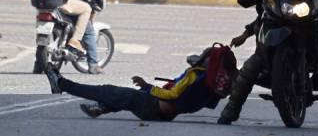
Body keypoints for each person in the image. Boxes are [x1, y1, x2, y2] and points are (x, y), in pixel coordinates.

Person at [44, 62, 222, 121]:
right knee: (123, 97)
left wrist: (146, 86)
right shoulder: (212, 86)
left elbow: (173, 95)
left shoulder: (195, 75)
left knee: (107, 91)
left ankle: (62, 84)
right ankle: (102, 108)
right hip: (162, 111)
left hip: (153, 107)